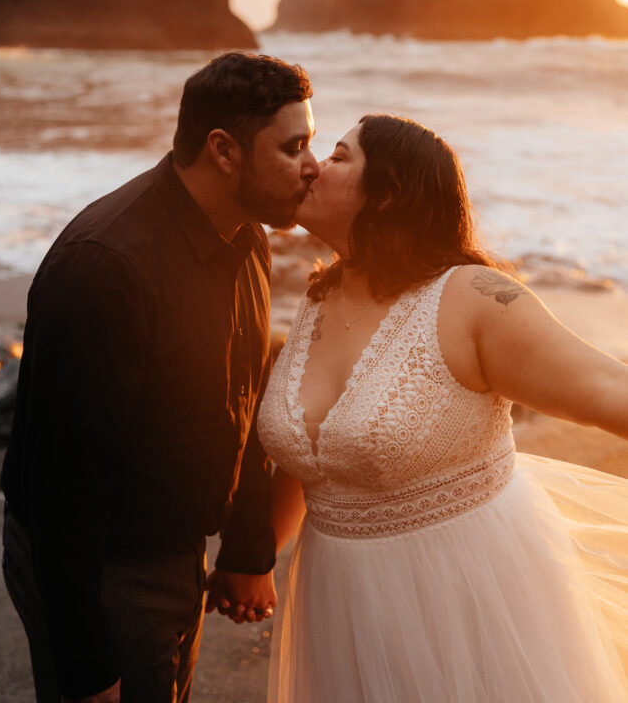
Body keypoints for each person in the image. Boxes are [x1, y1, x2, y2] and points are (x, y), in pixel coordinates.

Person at [258, 113, 628, 702]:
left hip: (465, 603)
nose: (312, 168)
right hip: (339, 608)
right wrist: (252, 558)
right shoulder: (320, 298)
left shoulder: (471, 300)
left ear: (389, 193)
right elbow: (313, 457)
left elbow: (610, 388)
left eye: (338, 156)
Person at [1, 51, 319, 703]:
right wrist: (87, 668)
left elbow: (247, 395)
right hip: (102, 571)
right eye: (293, 148)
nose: (311, 167)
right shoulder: (107, 267)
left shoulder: (245, 237)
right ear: (224, 151)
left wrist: (245, 548)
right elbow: (64, 490)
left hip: (175, 555)